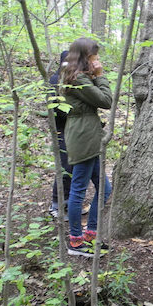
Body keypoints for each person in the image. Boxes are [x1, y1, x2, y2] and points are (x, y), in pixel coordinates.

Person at [60, 37, 112, 257]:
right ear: (84, 58)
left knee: (105, 189)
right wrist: (100, 76)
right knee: (79, 191)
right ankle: (75, 241)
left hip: (88, 135)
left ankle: (90, 235)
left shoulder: (78, 77)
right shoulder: (78, 79)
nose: (97, 61)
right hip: (84, 137)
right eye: (94, 57)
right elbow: (106, 100)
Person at [48, 50, 73, 220]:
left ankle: (68, 203)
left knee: (74, 167)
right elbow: (54, 109)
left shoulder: (73, 80)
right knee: (65, 167)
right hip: (61, 129)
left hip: (73, 129)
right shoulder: (55, 80)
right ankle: (56, 204)